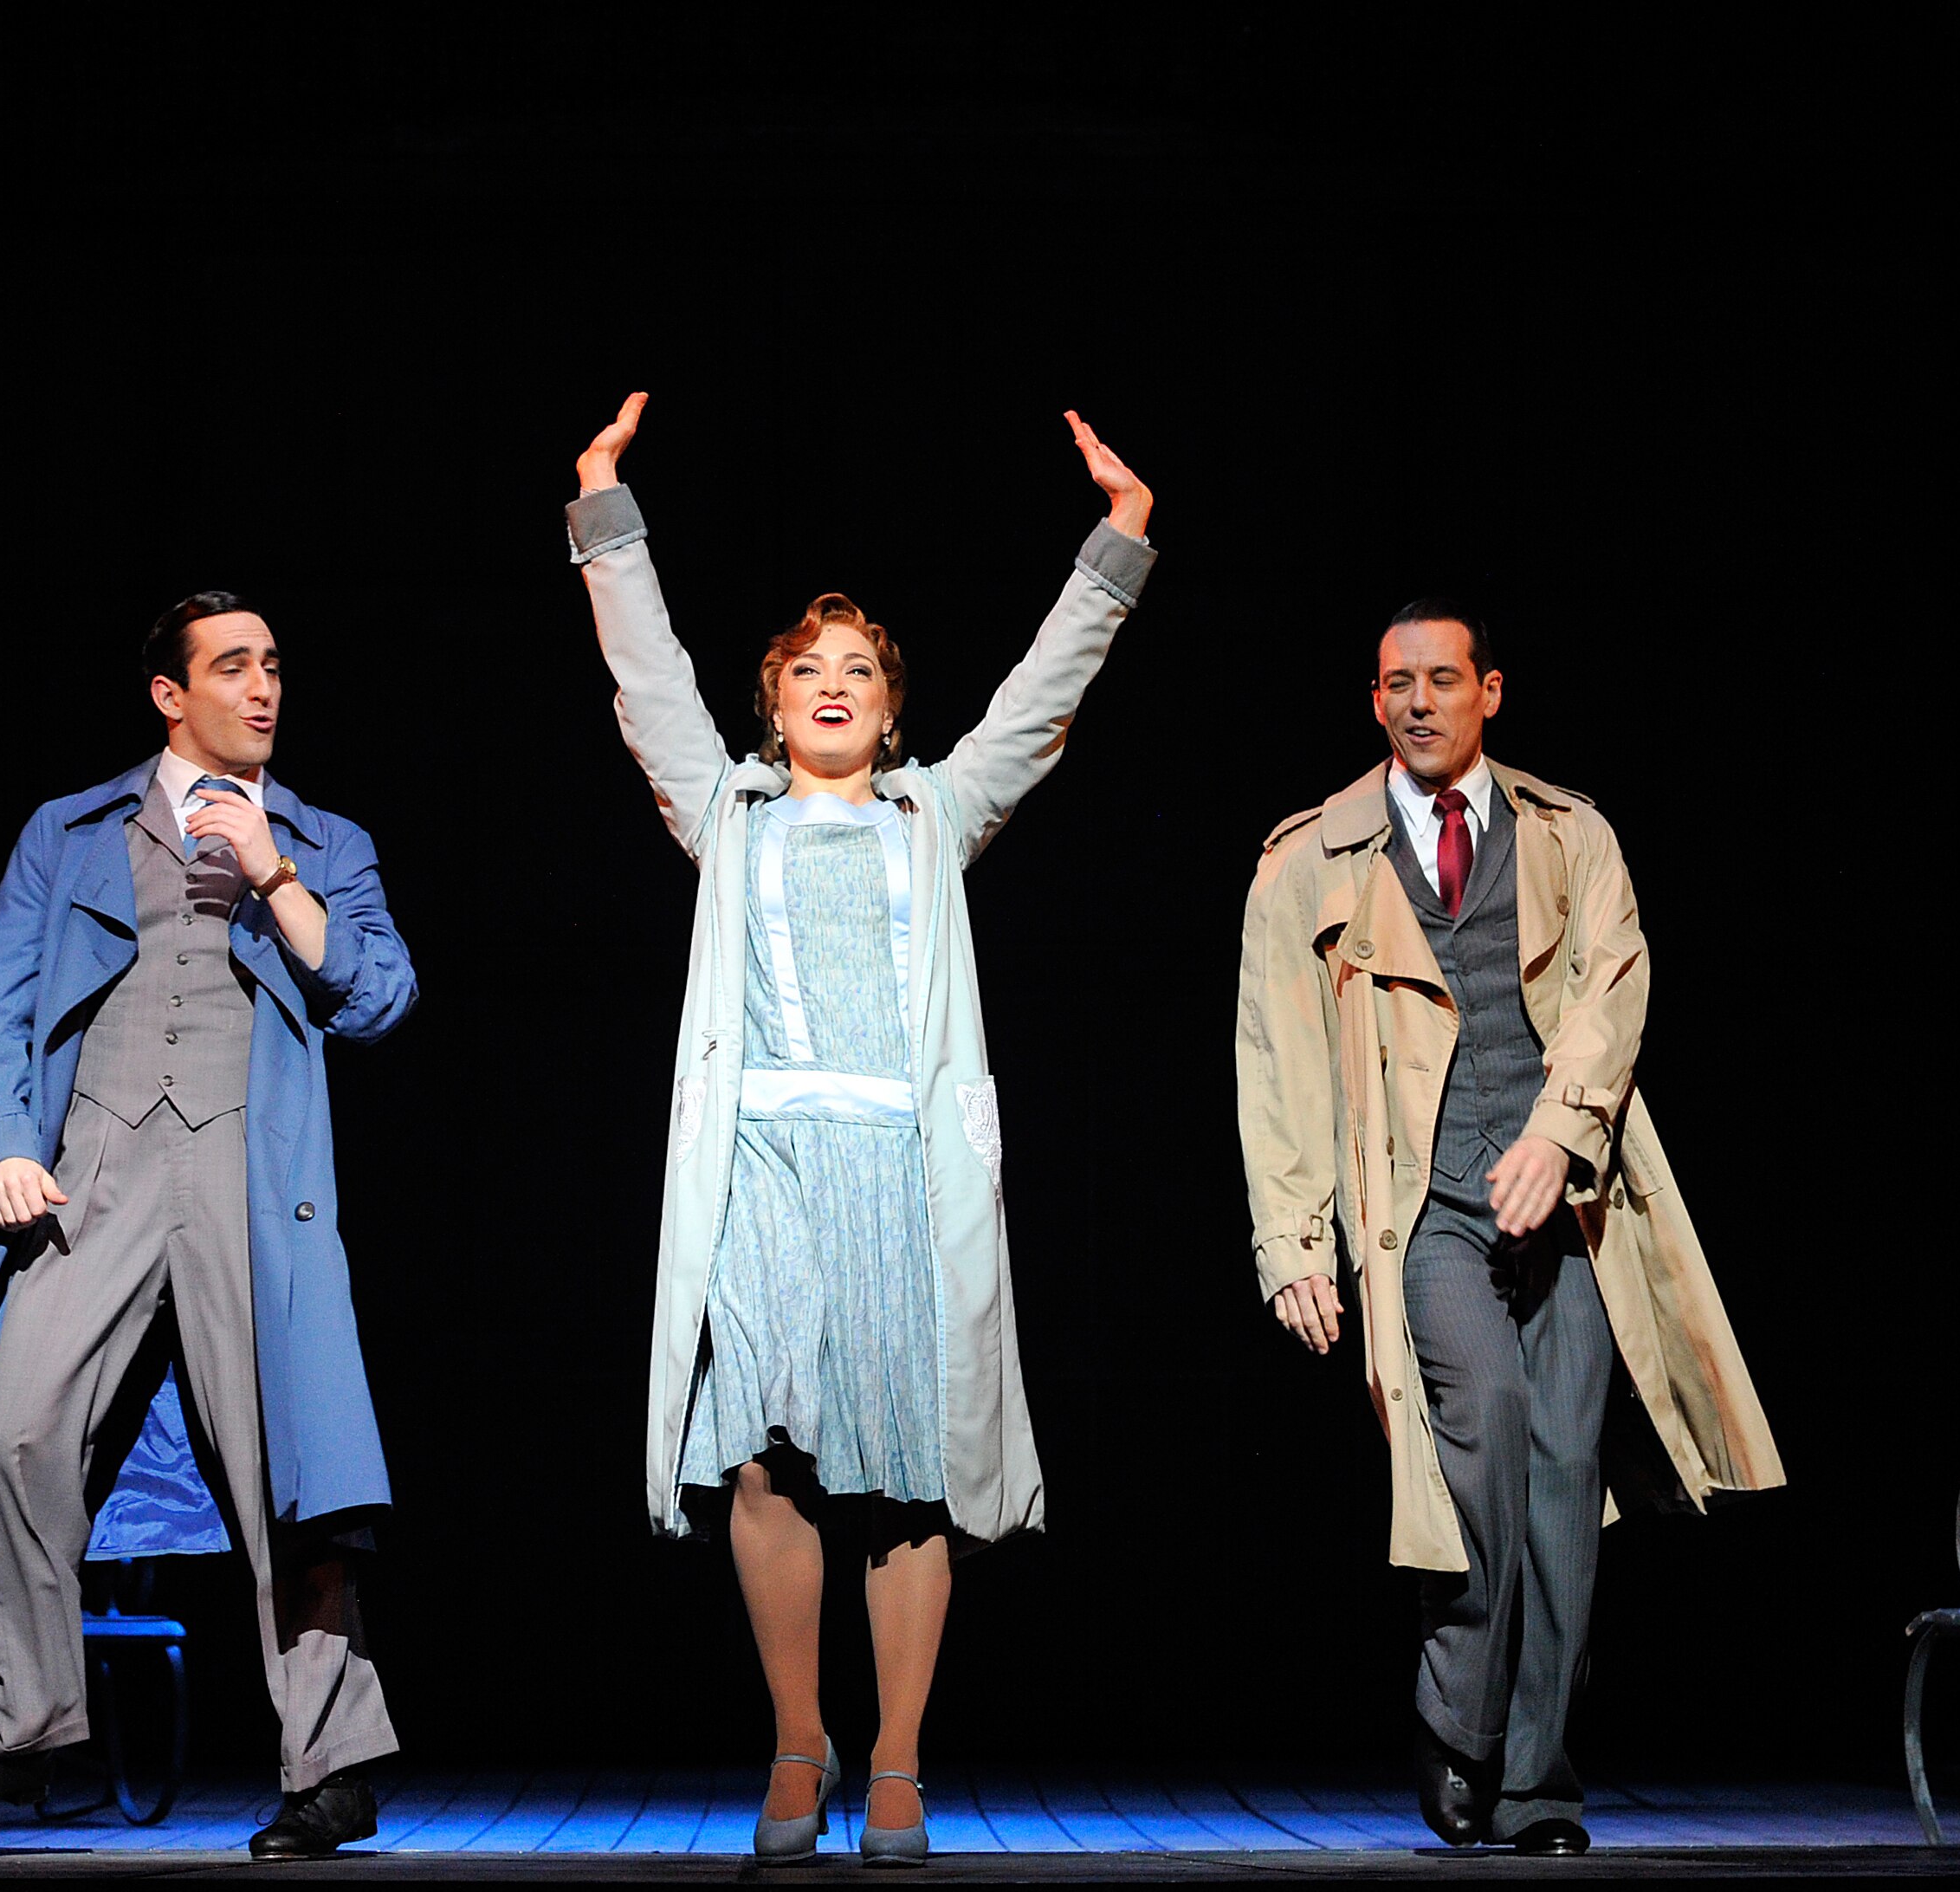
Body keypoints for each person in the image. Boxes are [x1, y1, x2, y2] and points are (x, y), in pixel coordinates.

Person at [568, 393, 1154, 1866]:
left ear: (894, 709)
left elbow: (1041, 698)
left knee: (905, 1463)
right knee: (761, 1457)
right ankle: (793, 1741)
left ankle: (893, 1757)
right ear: (773, 706)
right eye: (807, 672)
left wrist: (1119, 542)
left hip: (900, 1170)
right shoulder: (728, 814)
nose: (833, 688)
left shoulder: (933, 818)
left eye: (860, 673)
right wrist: (604, 515)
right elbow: (646, 678)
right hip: (761, 1165)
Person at [0, 592, 417, 1859]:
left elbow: (378, 998)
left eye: (274, 665)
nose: (263, 688)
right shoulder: (68, 831)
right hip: (94, 1164)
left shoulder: (324, 840)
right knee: (22, 1439)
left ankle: (330, 1766)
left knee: (292, 1478)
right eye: (233, 667)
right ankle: (25, 1723)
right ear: (170, 694)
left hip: (250, 1177)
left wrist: (272, 868)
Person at [1233, 600, 1783, 1856]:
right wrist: (1293, 1243)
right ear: (1374, 702)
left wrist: (1561, 1134)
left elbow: (1614, 984)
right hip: (1419, 1209)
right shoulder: (1311, 858)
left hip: (1568, 1204)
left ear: (1491, 691)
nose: (1418, 701)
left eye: (1441, 679)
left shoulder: (1569, 835)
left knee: (1561, 1481)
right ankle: (1458, 1721)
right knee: (1482, 1439)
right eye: (1394, 684)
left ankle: (1537, 1782)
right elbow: (1275, 1059)